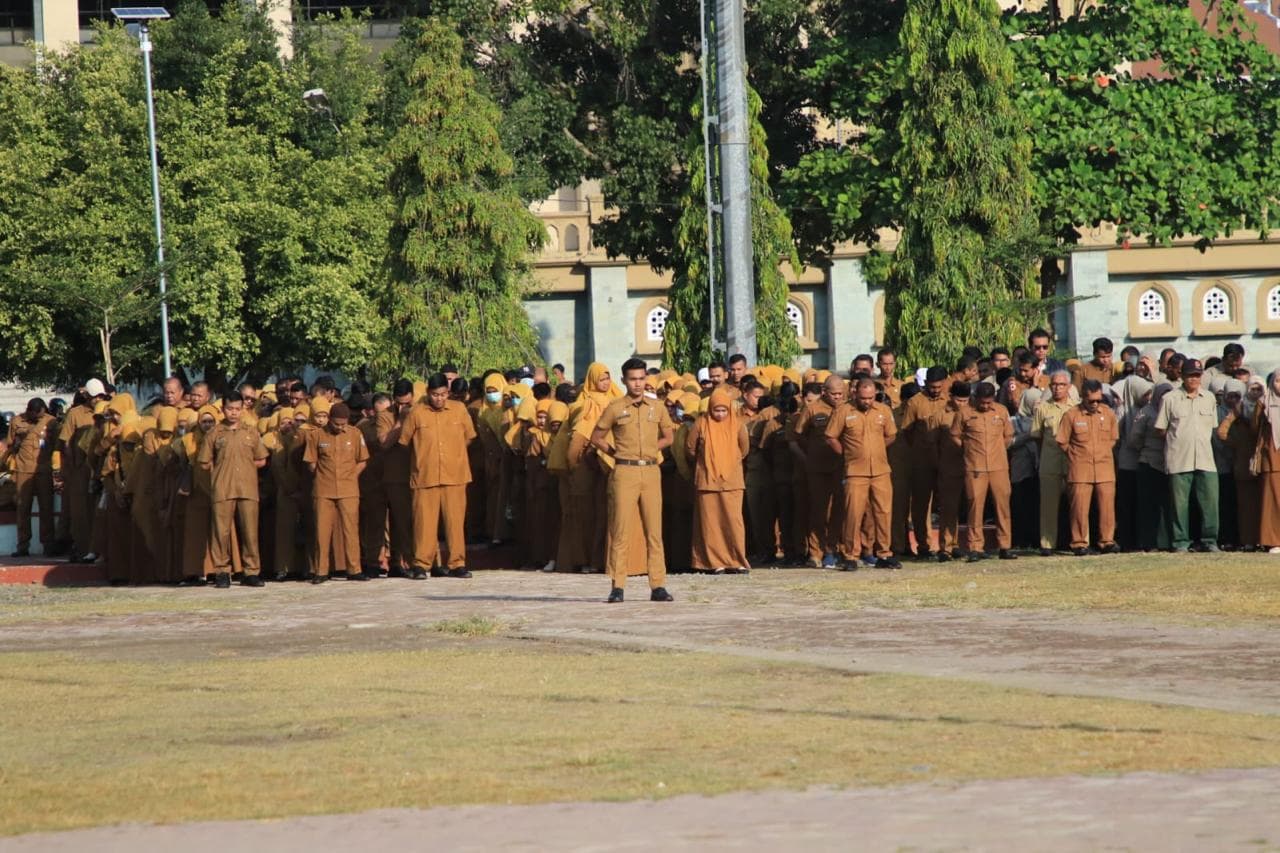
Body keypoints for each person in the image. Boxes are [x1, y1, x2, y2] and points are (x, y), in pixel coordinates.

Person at [592, 358, 675, 603]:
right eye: (633, 379)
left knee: (654, 531)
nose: (637, 384)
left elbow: (669, 436)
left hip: (650, 471)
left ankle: (658, 585)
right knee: (621, 531)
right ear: (624, 380)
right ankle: (618, 586)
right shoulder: (615, 408)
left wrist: (651, 449)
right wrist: (614, 452)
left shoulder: (657, 407)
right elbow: (597, 437)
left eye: (641, 378)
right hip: (624, 472)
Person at [397, 373, 477, 578]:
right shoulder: (416, 413)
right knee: (423, 523)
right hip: (425, 476)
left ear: (448, 393)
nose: (439, 399)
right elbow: (404, 443)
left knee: (455, 522)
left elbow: (469, 437)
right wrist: (424, 458)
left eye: (442, 394)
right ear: (428, 394)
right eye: (434, 395)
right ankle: (421, 565)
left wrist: (454, 456)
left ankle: (457, 563)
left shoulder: (459, 410)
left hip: (455, 476)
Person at [825, 377, 899, 569]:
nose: (867, 401)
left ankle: (884, 553)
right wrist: (846, 453)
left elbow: (891, 435)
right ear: (855, 393)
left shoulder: (883, 410)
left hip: (881, 471)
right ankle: (850, 556)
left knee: (883, 513)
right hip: (855, 472)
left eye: (870, 397)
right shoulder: (843, 411)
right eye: (863, 397)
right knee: (853, 514)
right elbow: (830, 437)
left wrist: (878, 449)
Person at [198, 392, 269, 588]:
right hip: (223, 487)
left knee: (250, 531)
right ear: (223, 409)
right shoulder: (214, 433)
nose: (234, 413)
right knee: (221, 532)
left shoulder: (251, 431)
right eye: (230, 409)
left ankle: (251, 572)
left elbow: (262, 459)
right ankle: (221, 571)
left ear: (243, 409)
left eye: (238, 409)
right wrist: (221, 470)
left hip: (247, 487)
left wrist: (245, 466)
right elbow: (204, 462)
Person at [1154, 359, 1220, 552]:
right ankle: (1180, 542)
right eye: (1190, 375)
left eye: (1197, 375)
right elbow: (1160, 429)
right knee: (1178, 506)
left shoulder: (1209, 398)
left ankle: (1210, 541)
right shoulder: (1170, 398)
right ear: (1182, 376)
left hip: (1206, 460)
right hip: (1178, 459)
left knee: (1210, 504)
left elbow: (1213, 428)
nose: (1194, 379)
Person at [686, 387, 750, 573]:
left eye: (724, 410)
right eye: (716, 410)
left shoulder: (737, 425)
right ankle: (713, 562)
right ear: (710, 409)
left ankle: (736, 560)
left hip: (732, 481)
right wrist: (707, 461)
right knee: (710, 523)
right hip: (707, 481)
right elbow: (690, 449)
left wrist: (728, 462)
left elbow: (744, 449)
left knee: (733, 521)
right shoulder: (701, 424)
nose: (720, 414)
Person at [304, 402, 369, 582]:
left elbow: (362, 460)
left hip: (349, 490)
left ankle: (354, 569)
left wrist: (351, 477)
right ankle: (321, 571)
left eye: (343, 424)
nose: (340, 427)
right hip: (323, 489)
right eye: (336, 423)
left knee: (351, 530)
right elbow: (311, 462)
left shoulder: (355, 434)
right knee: (322, 531)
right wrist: (323, 476)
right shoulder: (316, 435)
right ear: (330, 420)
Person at [951, 382, 1015, 561]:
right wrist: (967, 449)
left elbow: (1008, 435)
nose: (985, 406)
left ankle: (1005, 546)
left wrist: (999, 450)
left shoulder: (1001, 411)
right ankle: (975, 547)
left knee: (1002, 507)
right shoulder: (964, 413)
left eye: (989, 402)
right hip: (975, 467)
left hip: (998, 467)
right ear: (975, 398)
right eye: (982, 402)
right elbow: (955, 435)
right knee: (974, 507)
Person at [1056, 380, 1120, 555]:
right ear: (1083, 397)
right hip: (1080, 469)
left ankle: (1107, 541)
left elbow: (1114, 438)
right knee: (1079, 508)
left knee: (1107, 507)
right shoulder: (1072, 415)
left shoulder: (1108, 414)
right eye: (1091, 400)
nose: (1095, 404)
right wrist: (1076, 455)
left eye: (1098, 400)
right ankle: (1079, 543)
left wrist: (1103, 452)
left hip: (1104, 468)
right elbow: (1062, 441)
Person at [791, 374, 847, 567]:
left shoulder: (849, 408)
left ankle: (834, 549)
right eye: (834, 394)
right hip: (818, 468)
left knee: (839, 510)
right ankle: (816, 552)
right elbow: (799, 434)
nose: (837, 397)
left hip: (841, 468)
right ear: (825, 392)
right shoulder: (812, 409)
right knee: (818, 510)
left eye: (841, 393)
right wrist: (813, 451)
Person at [901, 366, 950, 558]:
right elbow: (906, 432)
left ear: (945, 383)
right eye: (932, 386)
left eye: (938, 386)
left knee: (947, 503)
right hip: (922, 460)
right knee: (921, 506)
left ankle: (948, 545)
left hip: (946, 460)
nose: (935, 390)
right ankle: (924, 546)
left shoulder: (950, 401)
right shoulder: (915, 403)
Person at [1029, 371, 1074, 555]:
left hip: (1072, 463)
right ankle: (1047, 544)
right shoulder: (1042, 409)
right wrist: (1043, 457)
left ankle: (1080, 542)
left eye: (1062, 385)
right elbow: (1037, 437)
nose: (1057, 388)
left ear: (1069, 387)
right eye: (1054, 385)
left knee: (1077, 505)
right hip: (1050, 462)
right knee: (1048, 506)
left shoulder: (1076, 408)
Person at [6, 398, 56, 557]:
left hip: (43, 470)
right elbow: (10, 446)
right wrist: (17, 443)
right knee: (23, 508)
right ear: (30, 411)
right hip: (23, 469)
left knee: (46, 508)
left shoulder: (52, 422)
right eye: (37, 414)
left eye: (42, 414)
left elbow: (56, 446)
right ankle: (23, 545)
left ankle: (48, 544)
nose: (40, 416)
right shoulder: (17, 421)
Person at [1252, 371, 1280, 553]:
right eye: (1278, 380)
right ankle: (1274, 541)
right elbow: (1254, 427)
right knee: (1272, 502)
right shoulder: (1263, 402)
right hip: (1272, 457)